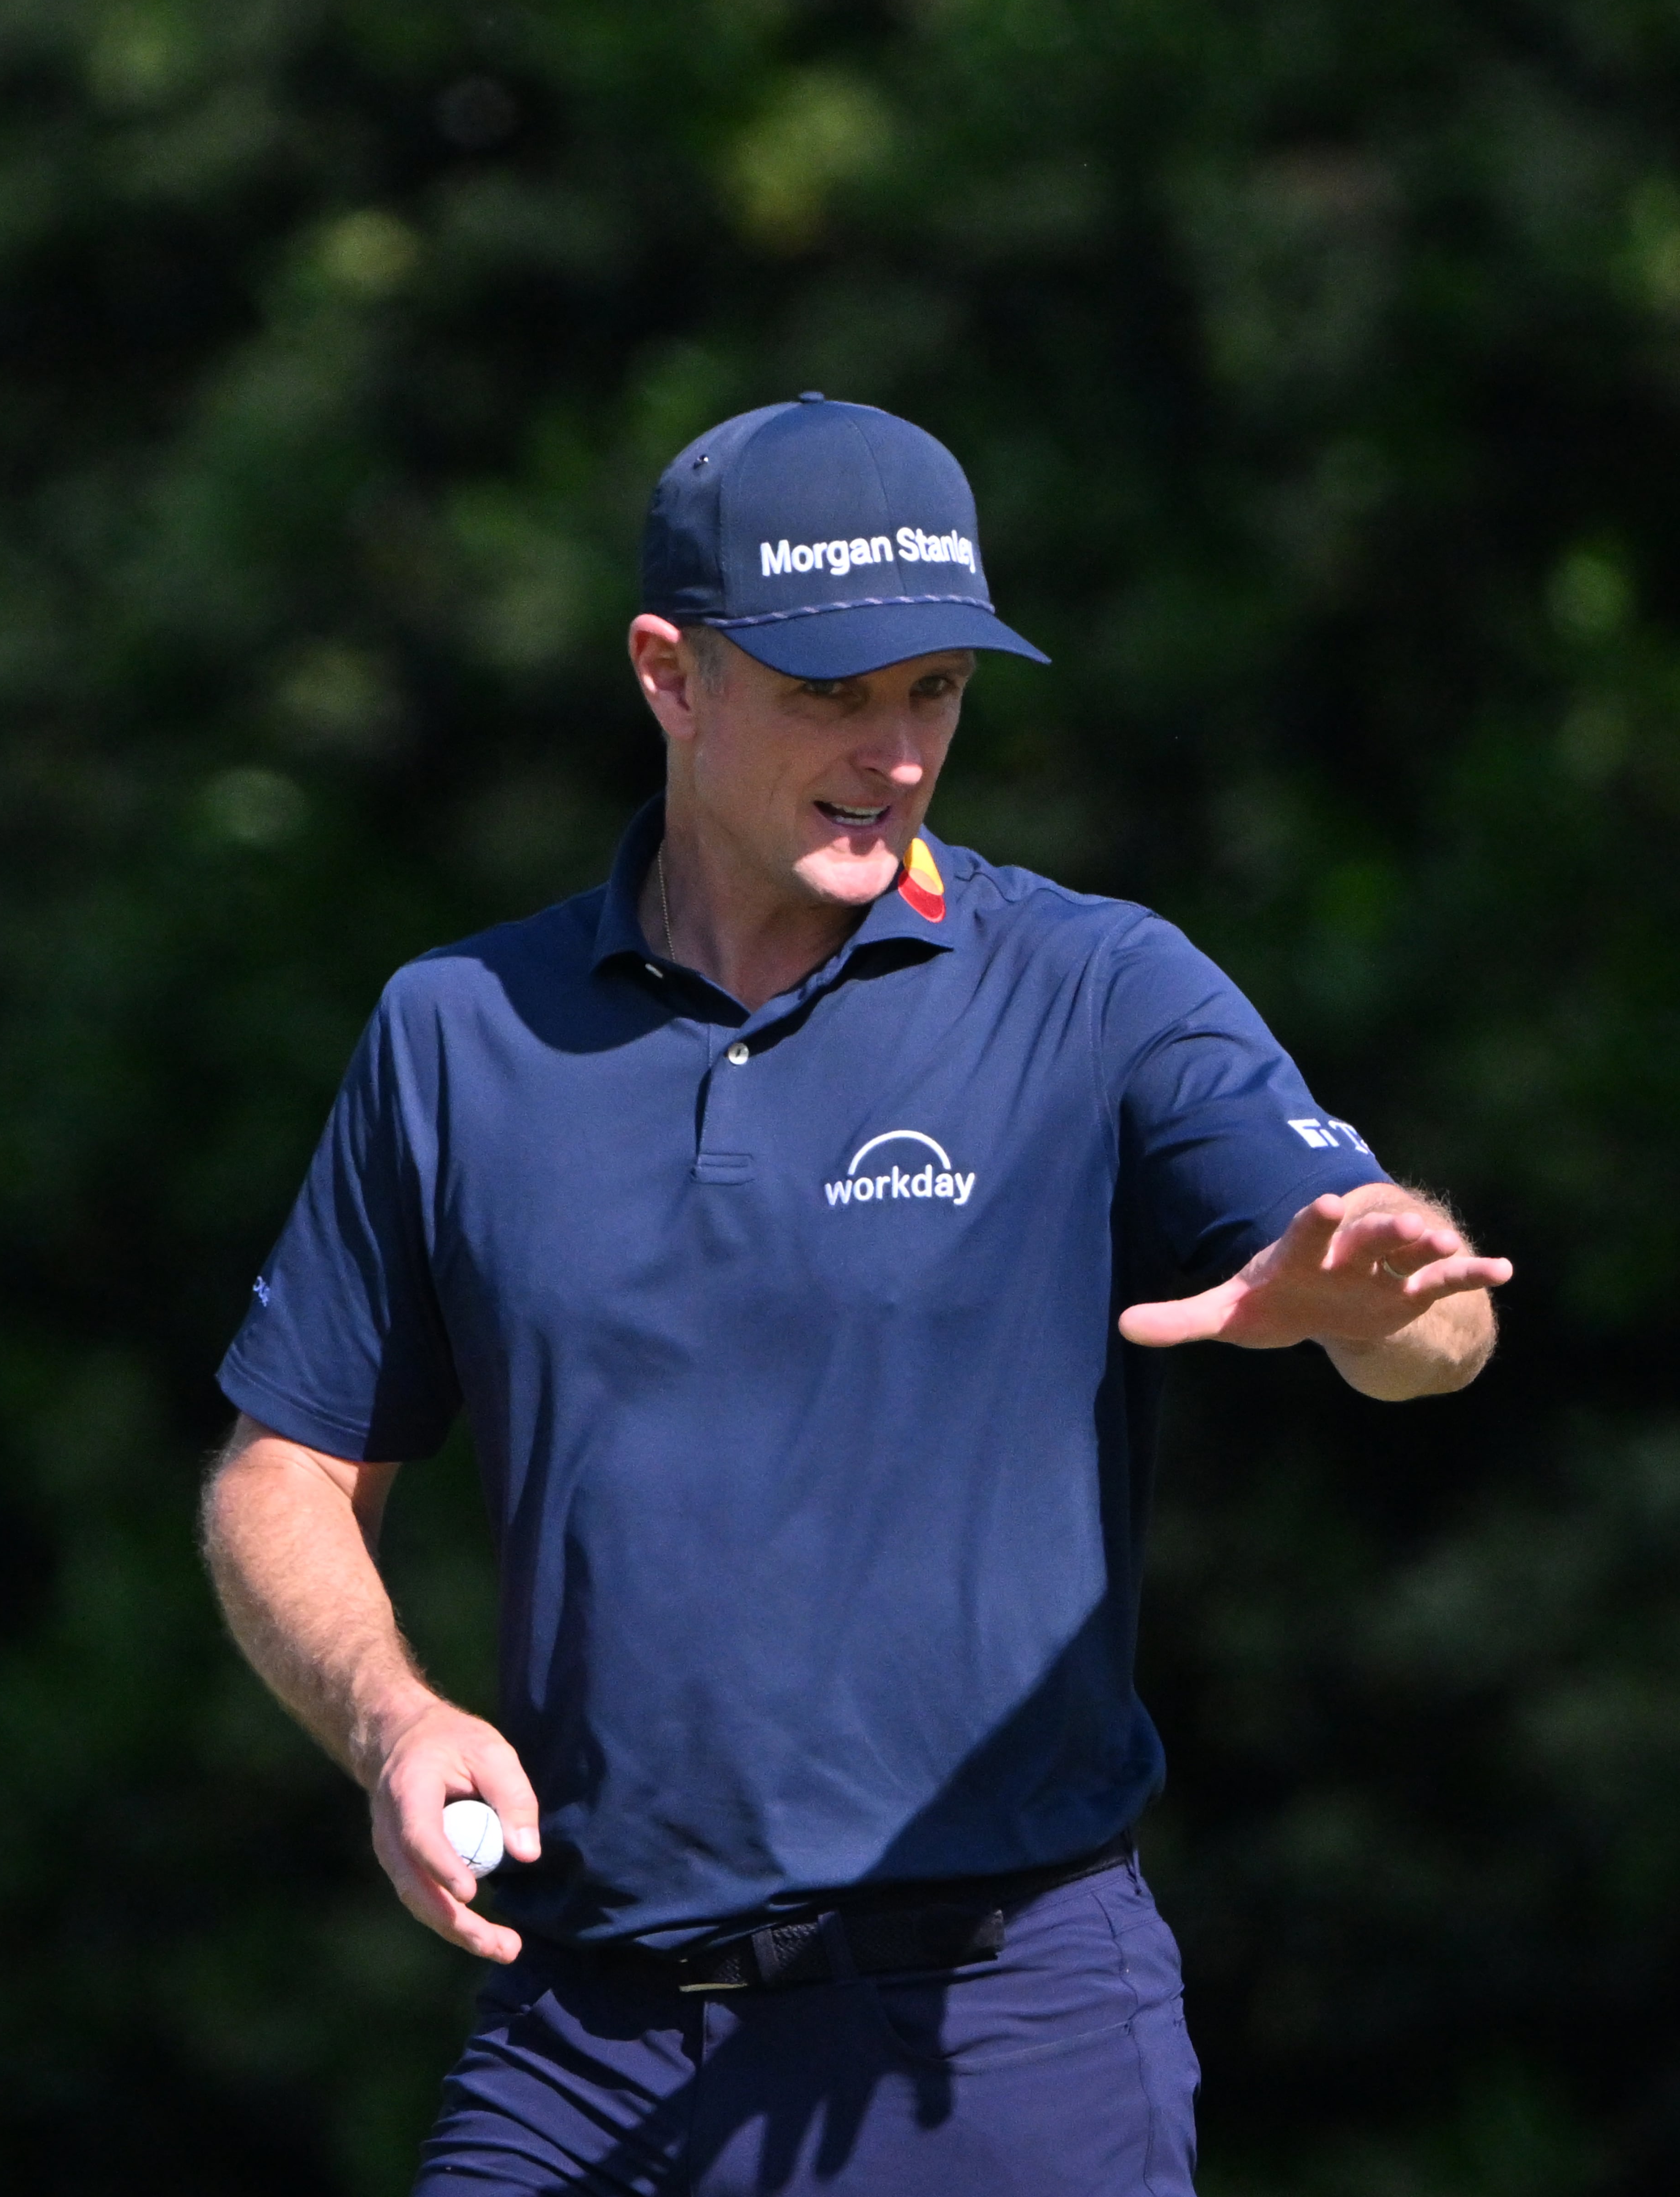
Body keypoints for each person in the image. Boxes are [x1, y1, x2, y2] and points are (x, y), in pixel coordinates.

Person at [201, 394, 1511, 2197]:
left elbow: (1440, 1325)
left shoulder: (1096, 985)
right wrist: (395, 1718)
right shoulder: (460, 1029)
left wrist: (1376, 1296)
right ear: (670, 671)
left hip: (1002, 2040)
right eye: (834, 691)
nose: (894, 751)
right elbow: (283, 1472)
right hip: (586, 2032)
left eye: (936, 692)